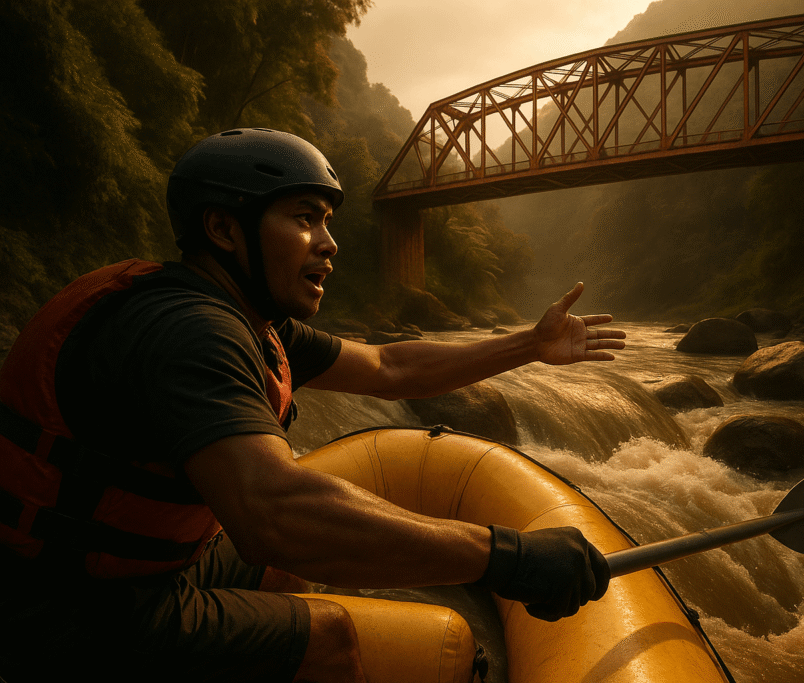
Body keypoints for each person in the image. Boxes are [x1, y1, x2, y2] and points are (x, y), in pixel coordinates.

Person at [0, 128, 626, 682]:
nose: (329, 244)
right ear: (223, 229)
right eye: (305, 218)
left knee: (279, 579)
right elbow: (275, 515)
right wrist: (504, 558)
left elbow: (390, 366)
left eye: (327, 222)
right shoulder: (192, 334)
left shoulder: (250, 320)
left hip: (131, 568)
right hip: (57, 605)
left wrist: (529, 345)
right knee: (327, 638)